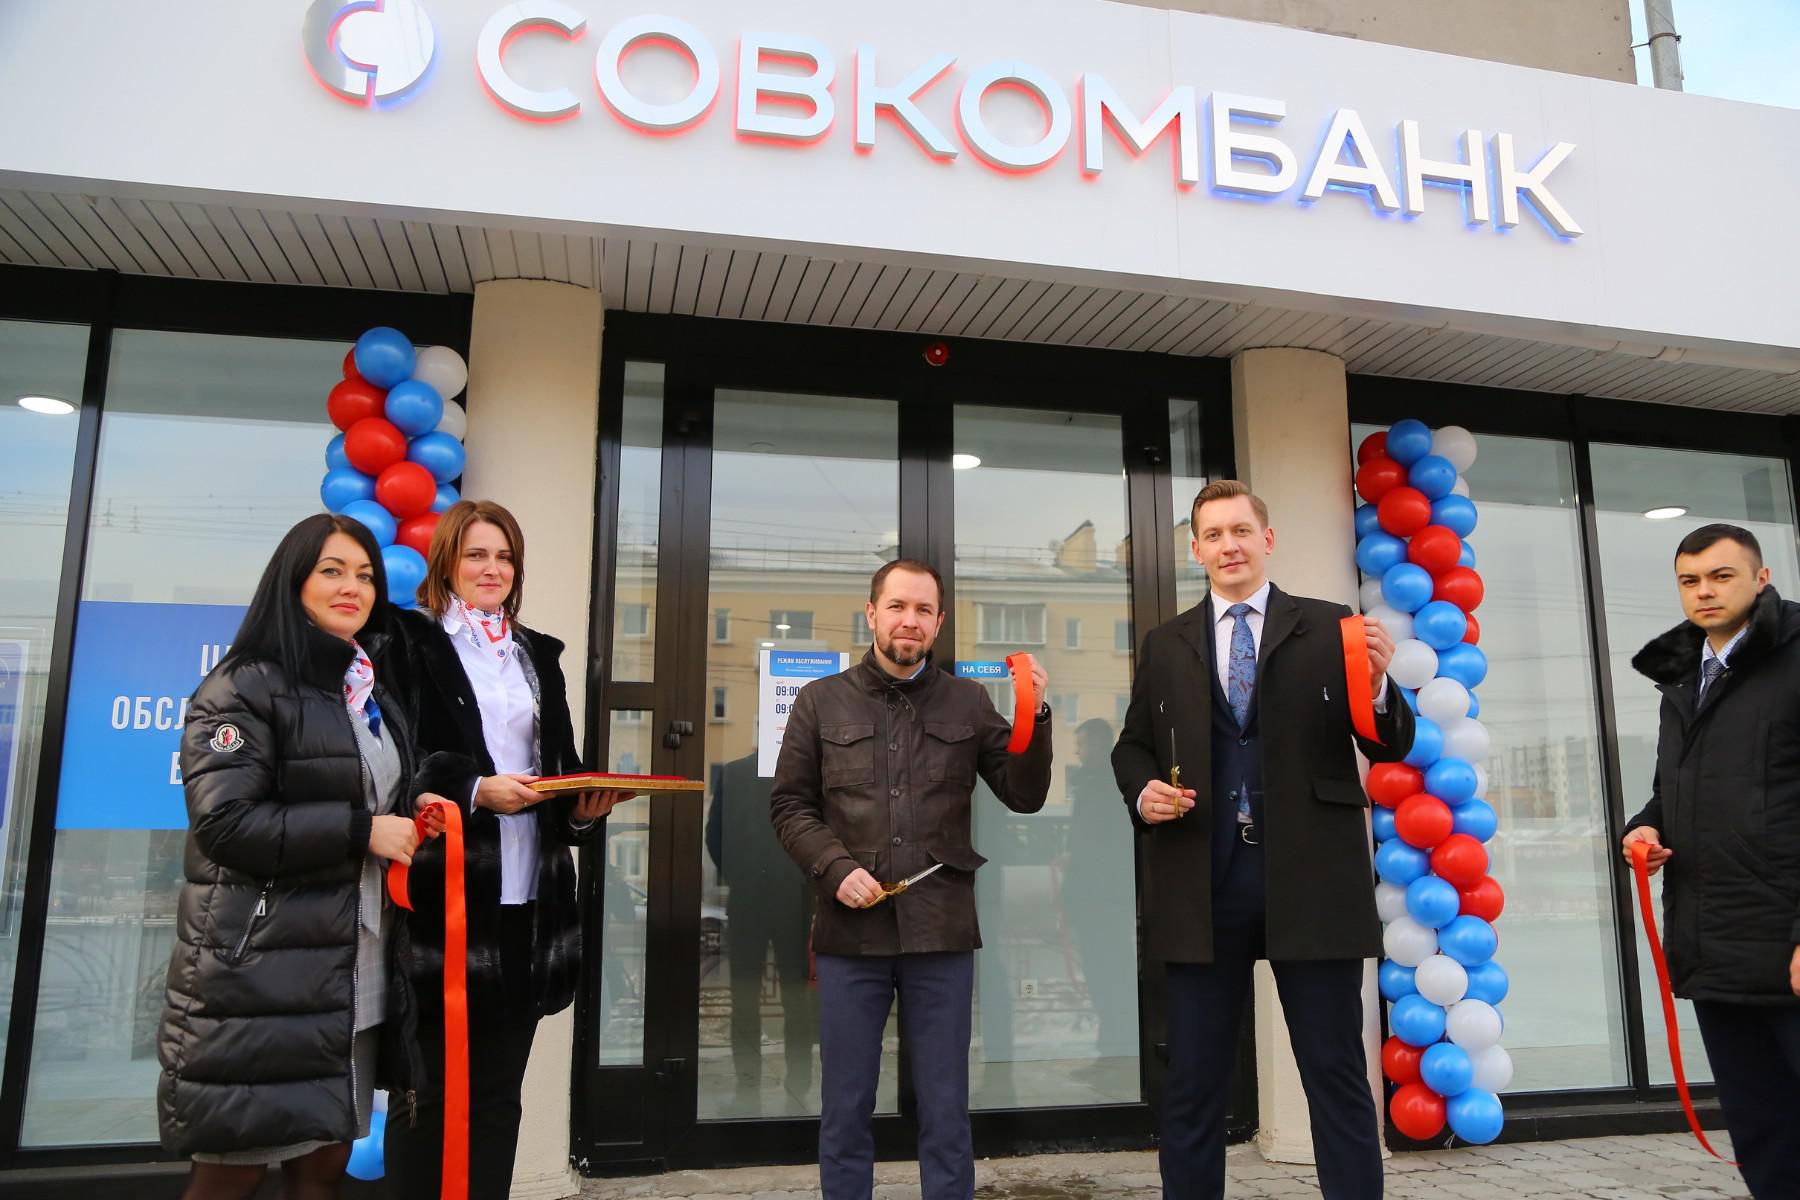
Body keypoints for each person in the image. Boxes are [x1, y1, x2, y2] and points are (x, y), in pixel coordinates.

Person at [1112, 480, 1413, 1200]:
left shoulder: (1331, 626)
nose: (1230, 546)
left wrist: (1377, 684)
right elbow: (1133, 746)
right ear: (1196, 549)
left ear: (1267, 539)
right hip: (1201, 883)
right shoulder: (1166, 644)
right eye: (1214, 535)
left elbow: (1390, 742)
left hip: (1312, 879)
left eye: (1241, 530)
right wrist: (1143, 789)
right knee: (1192, 1084)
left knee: (1335, 1076)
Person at [157, 513, 430, 1200]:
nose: (352, 587)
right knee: (232, 1174)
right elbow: (225, 824)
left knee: (322, 1170)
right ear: (293, 581)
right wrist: (362, 831)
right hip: (262, 976)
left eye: (365, 575)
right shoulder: (240, 687)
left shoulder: (366, 691)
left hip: (355, 967)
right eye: (331, 571)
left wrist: (421, 806)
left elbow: (377, 793)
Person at [769, 558, 1053, 1200]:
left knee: (946, 1106)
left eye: (924, 610)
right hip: (850, 932)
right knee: (846, 1104)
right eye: (897, 606)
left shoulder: (968, 701)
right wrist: (835, 868)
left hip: (941, 931)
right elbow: (789, 806)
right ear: (872, 613)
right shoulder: (820, 701)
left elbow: (1024, 794)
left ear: (939, 622)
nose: (910, 620)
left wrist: (1035, 714)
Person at [384, 499, 635, 1198]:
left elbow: (559, 766)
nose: (492, 568)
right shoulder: (407, 642)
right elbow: (395, 759)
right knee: (424, 1096)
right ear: (446, 563)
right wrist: (472, 789)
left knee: (498, 1097)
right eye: (476, 555)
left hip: (529, 902)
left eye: (505, 557)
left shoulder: (537, 655)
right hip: (443, 901)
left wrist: (581, 810)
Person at [1620, 523, 1800, 1200]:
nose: (1705, 592)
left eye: (1722, 576)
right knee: (1762, 1129)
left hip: (1788, 940)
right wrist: (1645, 828)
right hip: (1713, 940)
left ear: (1761, 578)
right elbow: (1674, 787)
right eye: (1690, 580)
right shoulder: (1682, 671)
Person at [706, 751, 817, 1109]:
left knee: (745, 995)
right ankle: (799, 1083)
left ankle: (747, 1085)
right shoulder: (807, 768)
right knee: (795, 996)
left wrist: (738, 876)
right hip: (794, 896)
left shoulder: (735, 772)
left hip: (748, 898)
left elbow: (714, 836)